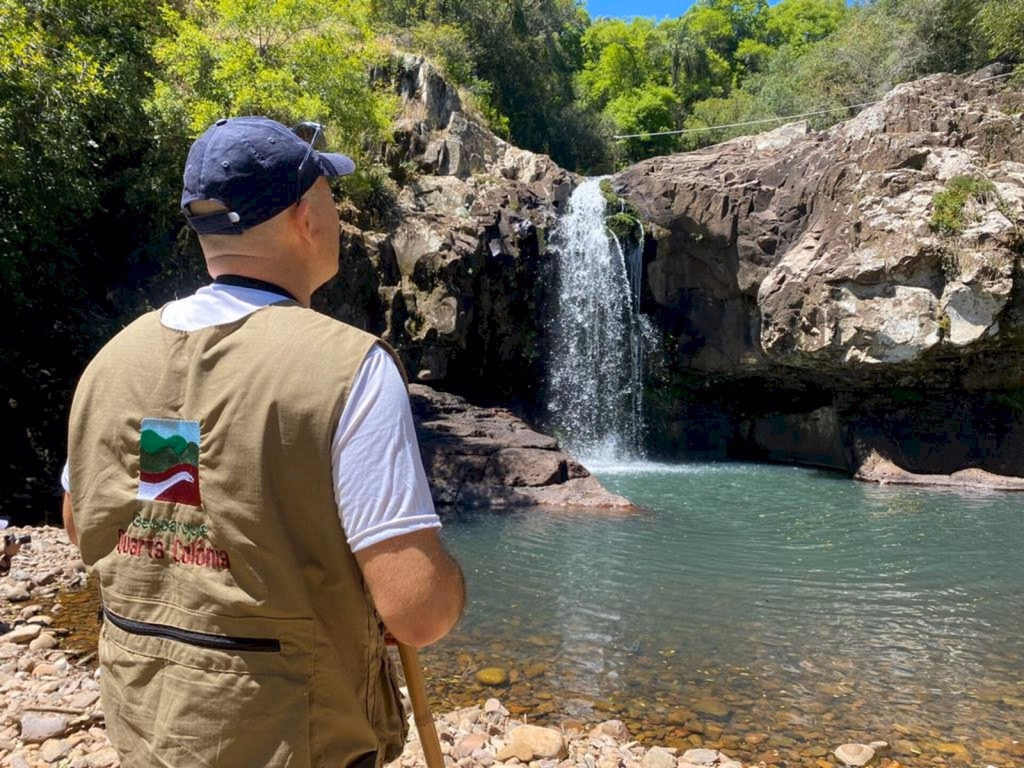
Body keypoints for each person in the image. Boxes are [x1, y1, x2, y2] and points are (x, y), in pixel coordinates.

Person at [61, 116, 465, 768]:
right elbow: (417, 611)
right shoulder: (350, 367)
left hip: (146, 726)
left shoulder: (112, 360)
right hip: (294, 739)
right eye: (332, 195)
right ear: (306, 214)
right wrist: (443, 582)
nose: (338, 213)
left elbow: (85, 527)